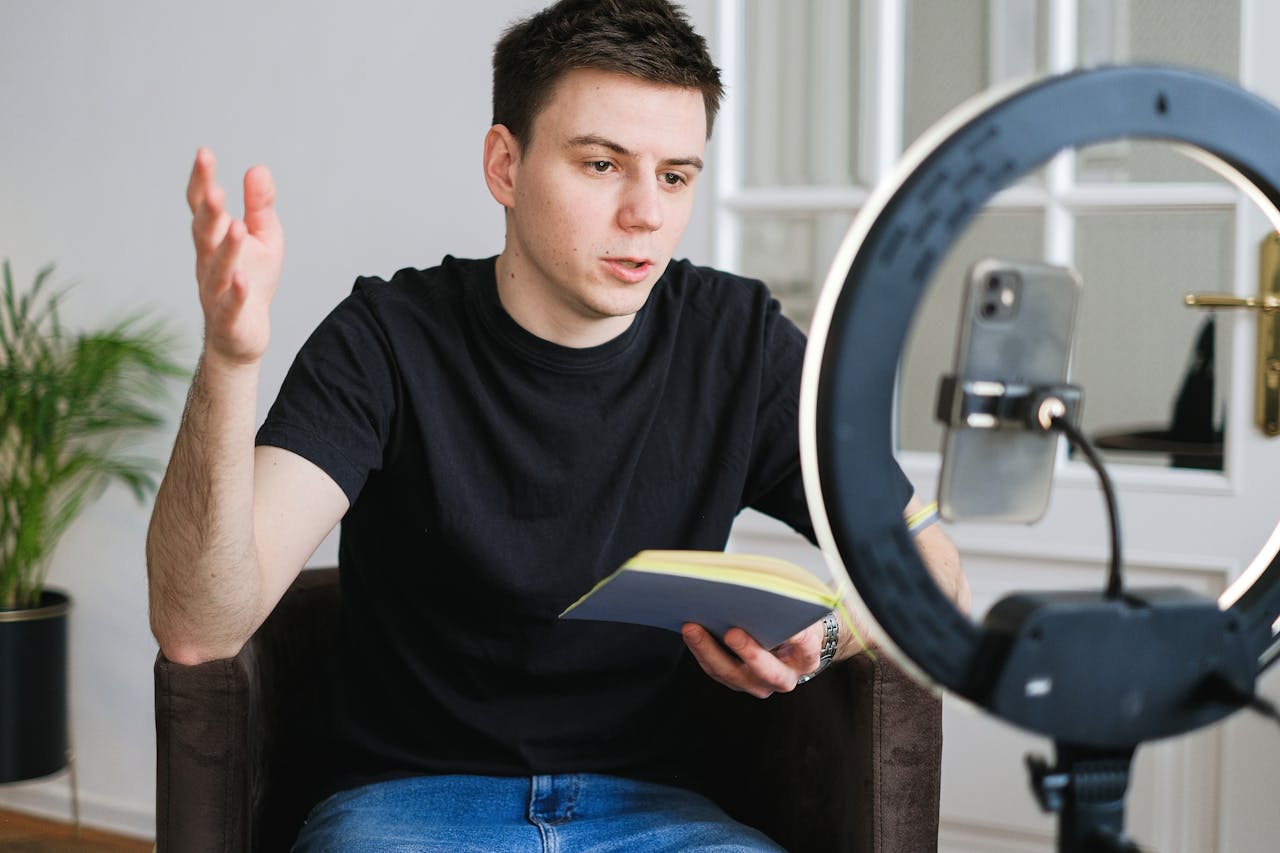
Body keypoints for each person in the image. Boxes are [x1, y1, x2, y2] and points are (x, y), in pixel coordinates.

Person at [146, 0, 970, 849]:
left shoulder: (743, 344)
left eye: (676, 176)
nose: (646, 213)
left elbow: (934, 568)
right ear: (505, 165)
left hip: (661, 816)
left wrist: (830, 634)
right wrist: (229, 361)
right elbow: (198, 627)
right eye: (603, 164)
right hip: (412, 810)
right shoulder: (385, 340)